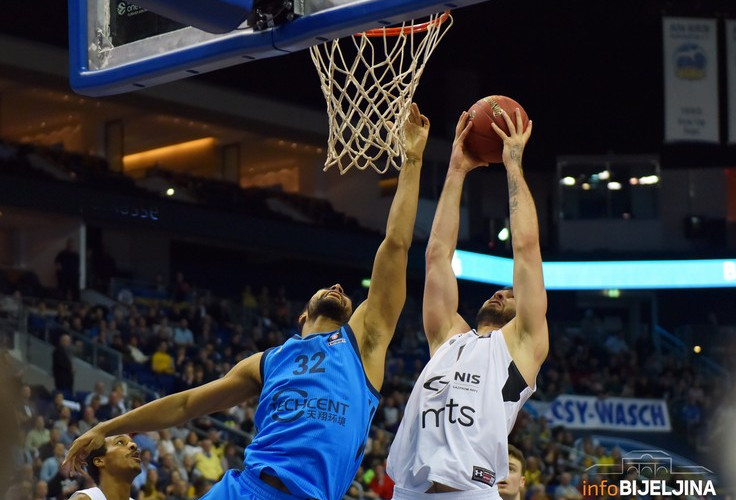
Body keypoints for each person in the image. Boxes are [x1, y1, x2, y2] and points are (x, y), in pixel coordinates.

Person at [64, 103, 430, 500]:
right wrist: (107, 428)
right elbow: (186, 404)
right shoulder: (266, 361)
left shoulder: (365, 341)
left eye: (345, 291)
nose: (339, 286)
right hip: (244, 488)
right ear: (302, 315)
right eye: (329, 288)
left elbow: (396, 245)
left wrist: (411, 159)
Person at [387, 107, 548, 497]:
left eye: (510, 294)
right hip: (410, 490)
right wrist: (457, 169)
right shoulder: (449, 338)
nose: (500, 292)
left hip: (470, 491)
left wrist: (513, 167)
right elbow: (437, 256)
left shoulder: (523, 343)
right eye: (501, 290)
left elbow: (526, 249)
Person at [68, 435, 142, 500]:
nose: (134, 445)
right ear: (99, 461)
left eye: (132, 441)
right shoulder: (84, 498)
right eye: (120, 442)